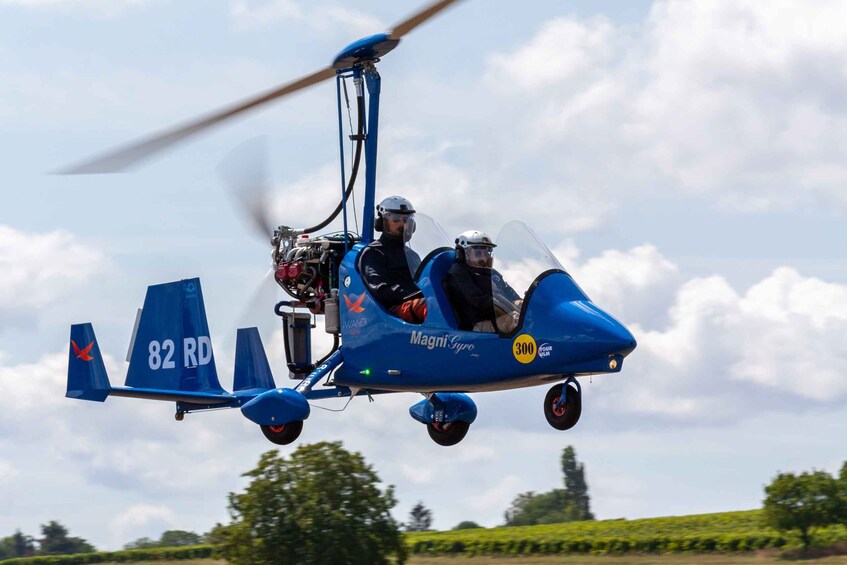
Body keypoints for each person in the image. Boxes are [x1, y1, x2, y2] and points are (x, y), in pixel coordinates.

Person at [359, 196, 428, 324]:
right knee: (431, 307)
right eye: (396, 219)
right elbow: (381, 290)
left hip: (415, 303)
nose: (402, 224)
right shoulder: (373, 253)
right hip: (394, 311)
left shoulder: (413, 255)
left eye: (407, 219)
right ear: (382, 222)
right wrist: (414, 294)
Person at [444, 230, 522, 333]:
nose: (484, 258)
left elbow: (511, 295)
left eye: (486, 253)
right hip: (476, 326)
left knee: (532, 316)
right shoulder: (458, 273)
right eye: (478, 253)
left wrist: (523, 303)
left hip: (499, 318)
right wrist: (506, 308)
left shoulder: (493, 274)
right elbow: (479, 303)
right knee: (517, 321)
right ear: (463, 253)